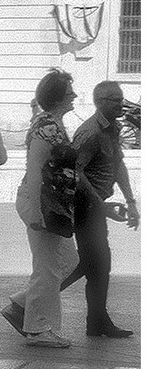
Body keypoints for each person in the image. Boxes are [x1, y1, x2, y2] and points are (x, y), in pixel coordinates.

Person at [1, 70, 81, 348]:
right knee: (47, 268)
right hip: (42, 202)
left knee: (68, 262)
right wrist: (34, 211)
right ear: (59, 97)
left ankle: (20, 305)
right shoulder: (47, 127)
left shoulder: (54, 124)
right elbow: (34, 169)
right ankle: (38, 330)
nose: (74, 96)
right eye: (70, 92)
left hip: (54, 203)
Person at [62, 81, 138, 337]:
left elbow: (118, 166)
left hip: (97, 207)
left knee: (95, 265)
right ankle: (27, 300)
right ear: (99, 102)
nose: (120, 103)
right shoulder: (90, 132)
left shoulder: (113, 129)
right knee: (93, 264)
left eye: (120, 98)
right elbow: (76, 173)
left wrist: (131, 201)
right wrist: (100, 206)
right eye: (114, 99)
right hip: (85, 207)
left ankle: (96, 322)